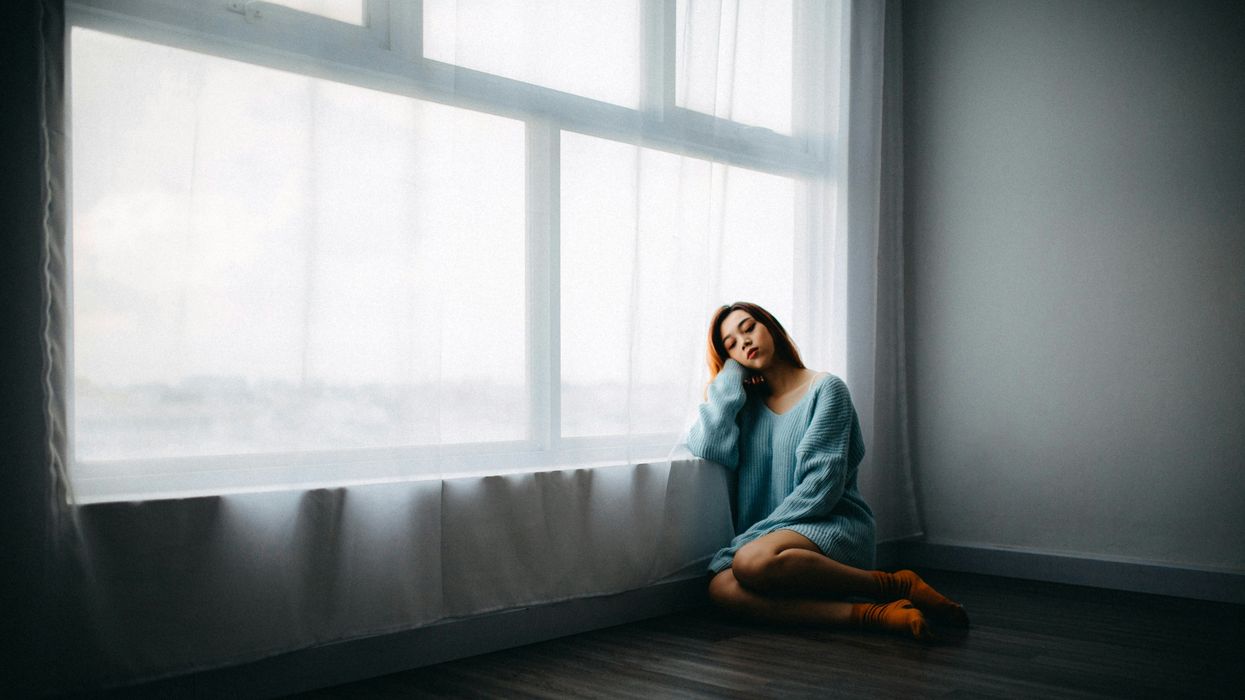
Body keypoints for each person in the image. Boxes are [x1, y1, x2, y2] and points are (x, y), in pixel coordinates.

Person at [686, 301, 969, 641]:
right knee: (721, 589)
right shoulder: (745, 407)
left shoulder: (826, 389)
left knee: (748, 562)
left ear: (771, 326)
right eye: (731, 344)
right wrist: (730, 375)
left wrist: (749, 542)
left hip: (830, 524)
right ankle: (869, 615)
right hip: (771, 548)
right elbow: (708, 445)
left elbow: (821, 488)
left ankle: (892, 583)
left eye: (748, 328)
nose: (744, 342)